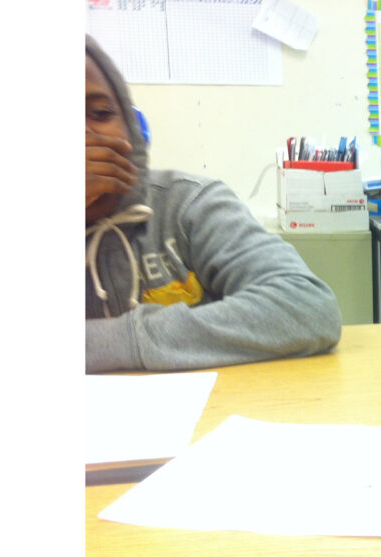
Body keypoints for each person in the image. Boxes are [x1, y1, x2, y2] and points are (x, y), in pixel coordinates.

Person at [85, 36, 342, 373]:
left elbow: (308, 307)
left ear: (134, 129)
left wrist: (128, 341)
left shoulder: (189, 204)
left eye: (101, 112)